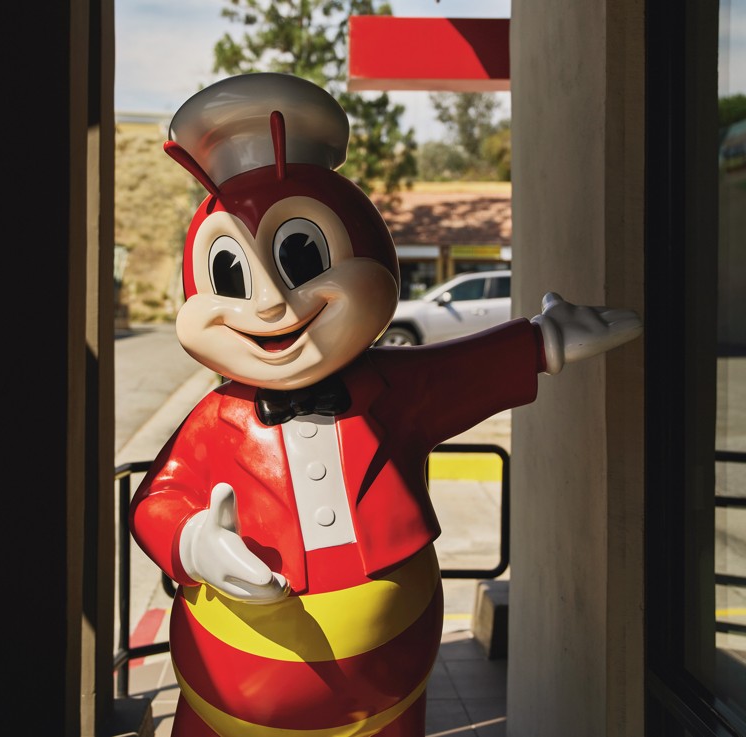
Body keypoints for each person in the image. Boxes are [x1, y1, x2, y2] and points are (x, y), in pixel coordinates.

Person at [129, 72, 642, 737]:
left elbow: (467, 369)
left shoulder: (394, 393)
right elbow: (157, 500)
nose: (267, 304)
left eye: (302, 254)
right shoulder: (214, 420)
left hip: (389, 697)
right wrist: (194, 541)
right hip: (229, 707)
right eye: (230, 273)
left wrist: (546, 339)